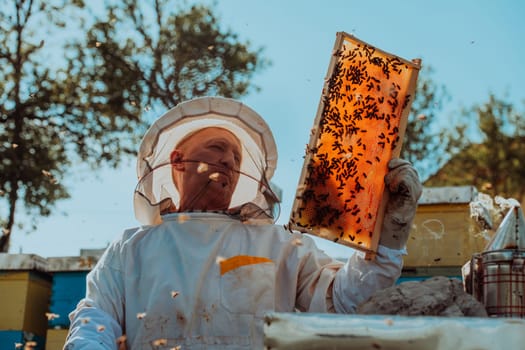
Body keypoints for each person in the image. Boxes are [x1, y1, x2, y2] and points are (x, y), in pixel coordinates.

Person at [65, 96, 422, 349]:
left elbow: (346, 302)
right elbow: (96, 321)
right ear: (177, 160)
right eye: (218, 148)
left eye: (236, 157)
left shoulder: (277, 244)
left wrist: (389, 234)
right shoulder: (131, 249)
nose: (229, 162)